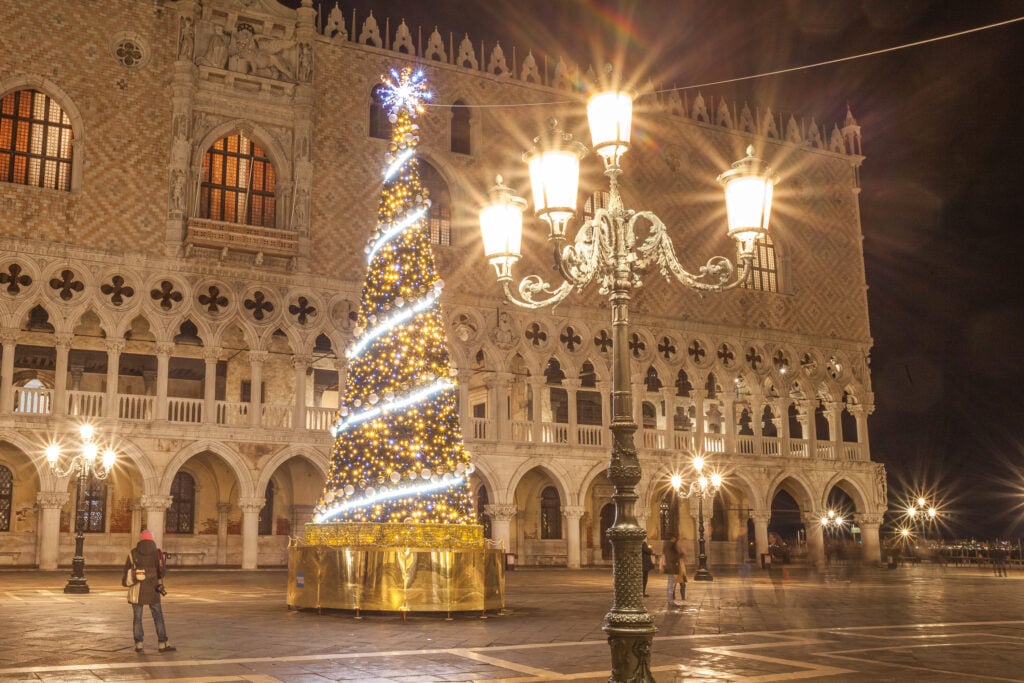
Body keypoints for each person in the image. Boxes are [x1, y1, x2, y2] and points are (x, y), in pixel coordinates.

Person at [122, 530, 176, 654]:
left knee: (137, 618)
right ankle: (162, 643)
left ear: (140, 540)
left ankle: (139, 644)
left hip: (137, 589)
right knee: (158, 616)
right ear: (152, 540)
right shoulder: (157, 553)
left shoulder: (133, 553)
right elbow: (162, 572)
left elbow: (126, 573)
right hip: (153, 589)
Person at [662, 534, 682, 607]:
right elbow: (674, 557)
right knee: (671, 585)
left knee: (670, 584)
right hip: (672, 568)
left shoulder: (667, 545)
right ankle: (670, 600)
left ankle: (670, 600)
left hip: (671, 568)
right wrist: (680, 552)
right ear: (673, 538)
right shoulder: (671, 546)